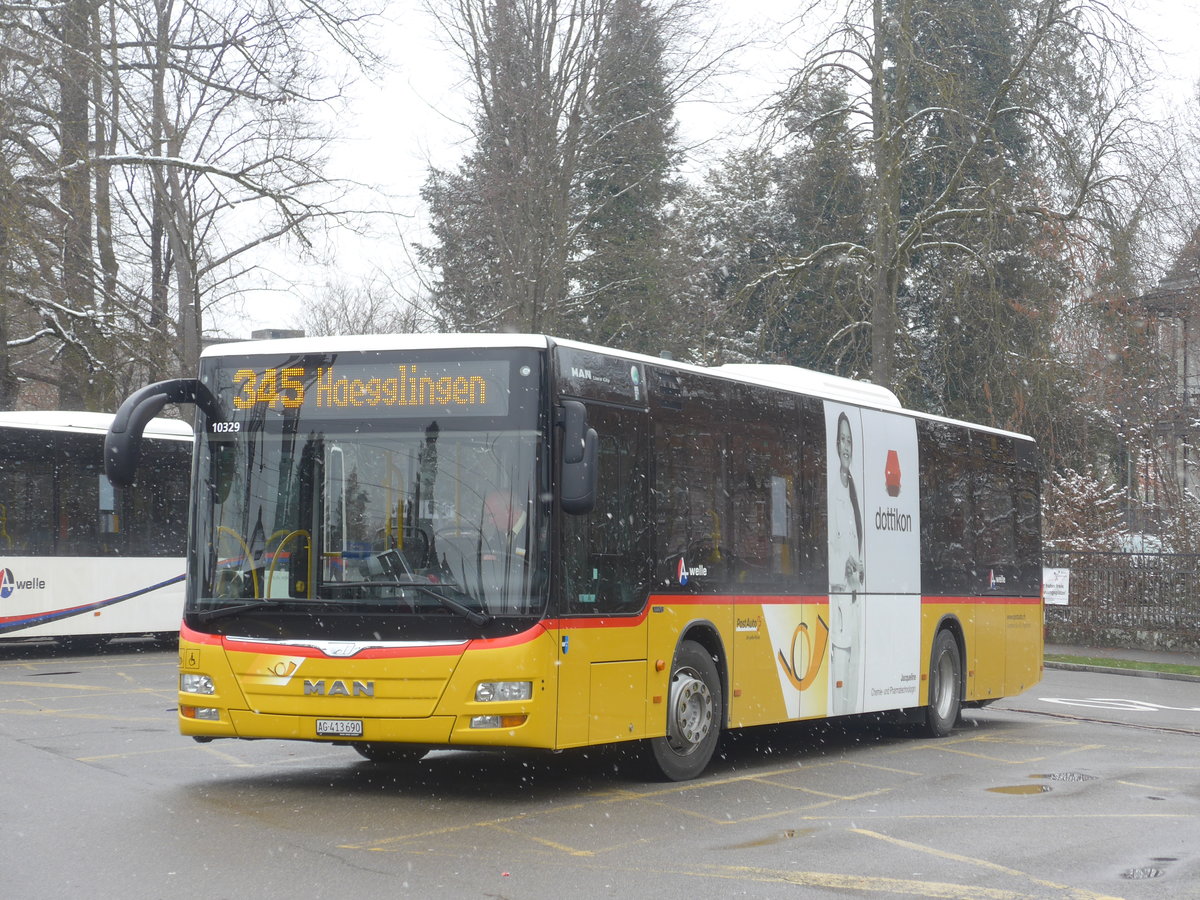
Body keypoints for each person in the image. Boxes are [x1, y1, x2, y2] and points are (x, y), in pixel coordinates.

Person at [829, 410, 864, 716]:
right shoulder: (829, 488)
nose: (846, 446)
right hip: (837, 597)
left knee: (852, 671)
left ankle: (848, 716)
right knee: (839, 667)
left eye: (849, 439)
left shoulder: (852, 488)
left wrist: (859, 566)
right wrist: (844, 564)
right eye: (841, 439)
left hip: (855, 599)